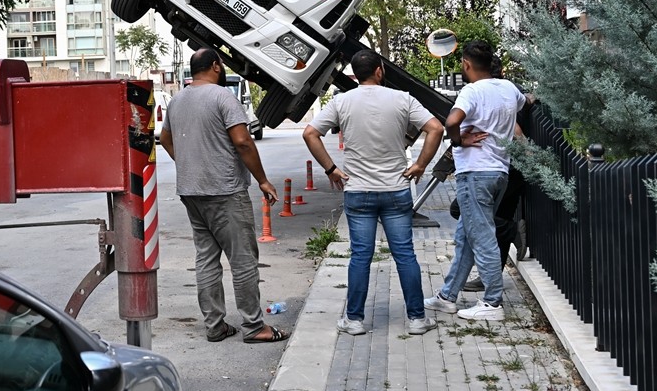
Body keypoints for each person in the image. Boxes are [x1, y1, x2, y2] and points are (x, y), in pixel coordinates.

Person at [302, 50, 445, 336]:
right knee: (404, 254)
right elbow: (436, 128)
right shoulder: (402, 99)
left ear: (356, 74)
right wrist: (419, 165)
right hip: (395, 189)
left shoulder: (342, 101)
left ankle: (354, 320)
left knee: (361, 256)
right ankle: (417, 319)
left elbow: (309, 133)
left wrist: (331, 169)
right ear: (380, 71)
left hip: (358, 191)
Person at [158, 48, 286, 344]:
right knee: (242, 260)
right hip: (225, 190)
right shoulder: (222, 96)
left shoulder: (177, 101)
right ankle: (255, 327)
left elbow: (165, 138)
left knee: (206, 259)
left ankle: (215, 325)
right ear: (215, 66)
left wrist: (189, 163)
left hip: (192, 192)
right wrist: (263, 181)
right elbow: (242, 141)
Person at [426, 40, 526, 322]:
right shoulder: (508, 88)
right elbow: (523, 102)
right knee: (466, 237)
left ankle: (492, 302)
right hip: (499, 172)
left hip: (475, 174)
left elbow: (451, 121)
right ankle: (447, 296)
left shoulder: (471, 91)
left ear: (466, 64)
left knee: (482, 238)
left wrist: (460, 140)